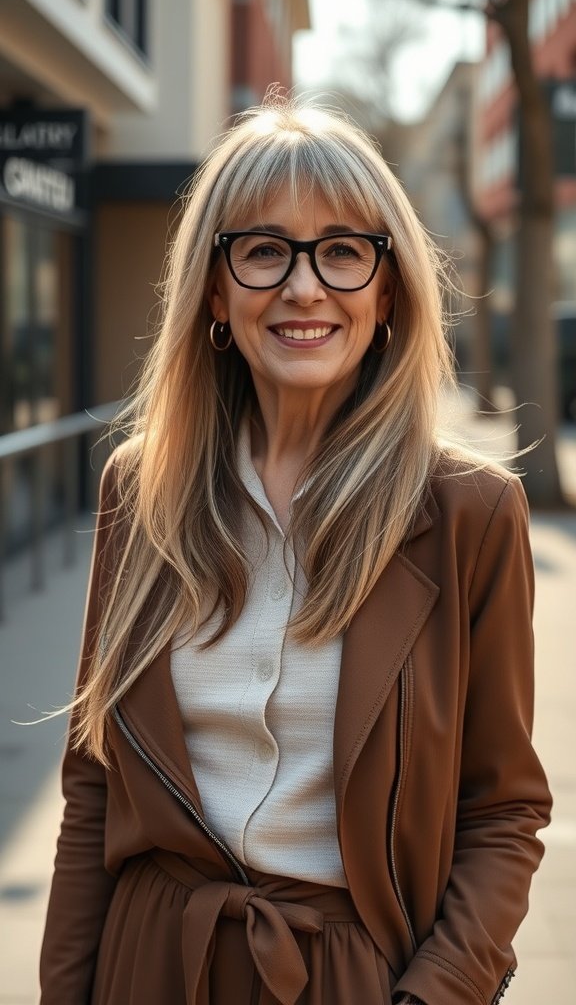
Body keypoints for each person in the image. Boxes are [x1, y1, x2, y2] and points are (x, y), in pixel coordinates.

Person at [39, 95, 551, 1005]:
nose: (304, 287)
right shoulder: (140, 489)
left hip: (352, 975)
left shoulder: (471, 513)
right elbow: (94, 788)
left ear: (388, 291)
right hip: (149, 964)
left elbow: (503, 810)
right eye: (264, 250)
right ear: (215, 289)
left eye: (343, 251)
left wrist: (436, 993)